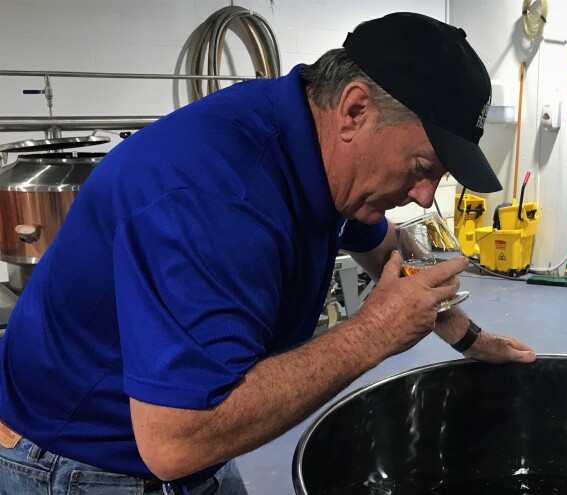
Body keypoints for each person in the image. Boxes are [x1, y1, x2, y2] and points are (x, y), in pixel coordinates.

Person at [0, 12, 535, 495]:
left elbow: (385, 247)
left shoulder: (312, 137)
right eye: (421, 167)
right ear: (354, 110)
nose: (423, 195)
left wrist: (468, 337)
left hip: (192, 431)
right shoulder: (217, 198)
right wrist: (376, 332)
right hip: (84, 459)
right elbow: (176, 443)